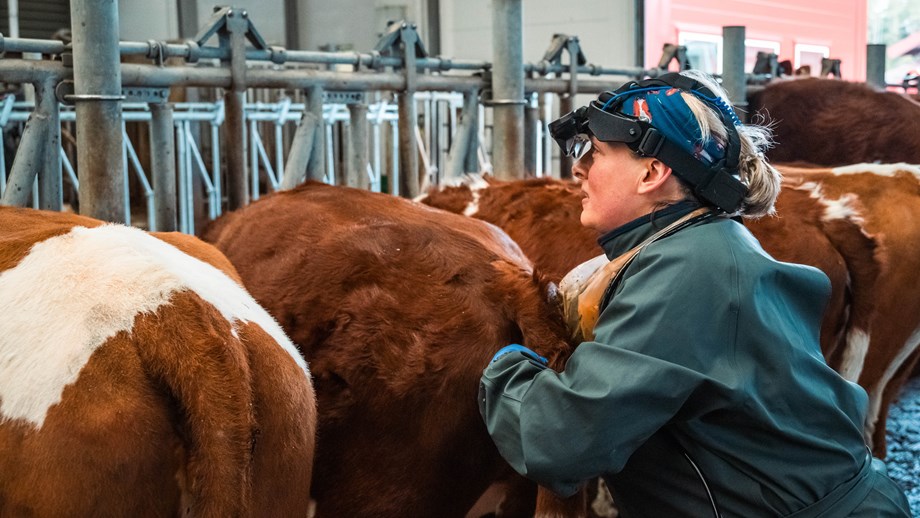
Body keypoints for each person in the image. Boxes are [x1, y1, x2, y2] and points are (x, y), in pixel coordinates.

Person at [478, 70, 912, 517]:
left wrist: (500, 358)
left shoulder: (688, 270)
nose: (578, 167)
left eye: (599, 152)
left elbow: (561, 442)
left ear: (652, 172)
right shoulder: (705, 244)